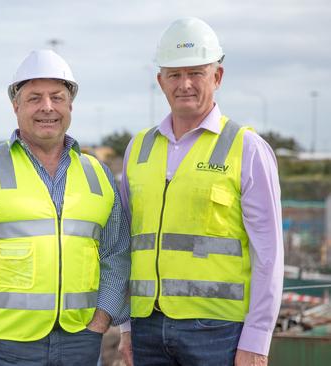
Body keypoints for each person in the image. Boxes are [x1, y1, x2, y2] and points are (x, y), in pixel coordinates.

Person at [0, 49, 130, 365]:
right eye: (35, 98)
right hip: (0, 346)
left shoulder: (97, 173)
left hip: (80, 342)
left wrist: (101, 320)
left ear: (70, 105)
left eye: (57, 97)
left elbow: (116, 252)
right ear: (15, 106)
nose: (47, 107)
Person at [117, 17, 283, 366]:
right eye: (174, 75)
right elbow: (127, 246)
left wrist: (257, 341)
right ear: (160, 81)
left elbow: (269, 256)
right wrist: (127, 329)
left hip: (218, 332)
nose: (185, 84)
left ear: (217, 78)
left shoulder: (247, 149)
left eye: (196, 73)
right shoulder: (139, 149)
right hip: (147, 328)